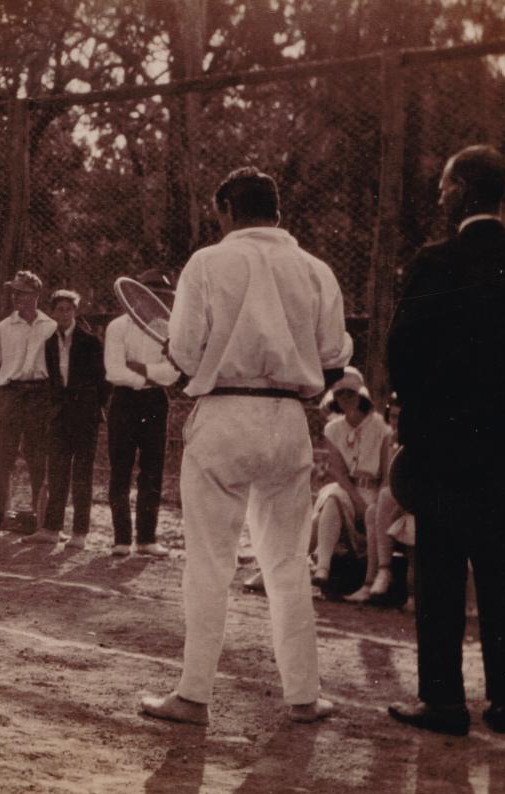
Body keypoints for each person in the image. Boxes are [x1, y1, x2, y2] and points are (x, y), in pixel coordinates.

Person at [139, 166, 353, 727]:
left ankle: (193, 696)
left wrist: (165, 365)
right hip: (289, 420)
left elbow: (181, 358)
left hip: (225, 416)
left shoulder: (209, 262)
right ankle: (304, 697)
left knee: (210, 563)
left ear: (228, 210)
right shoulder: (316, 270)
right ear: (275, 210)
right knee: (287, 563)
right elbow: (335, 360)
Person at [386, 145, 505, 737]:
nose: (438, 195)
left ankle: (444, 702)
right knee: (501, 573)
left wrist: (421, 406)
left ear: (461, 188)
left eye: (443, 185)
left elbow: (401, 355)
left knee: (438, 572)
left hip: (443, 443)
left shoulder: (434, 263)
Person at [24, 288, 109, 547]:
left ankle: (80, 534)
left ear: (75, 312)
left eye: (68, 309)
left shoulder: (90, 341)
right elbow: (53, 381)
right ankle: (51, 528)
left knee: (82, 474)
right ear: (53, 312)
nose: (64, 313)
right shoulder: (49, 343)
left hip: (85, 418)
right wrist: (55, 408)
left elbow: (104, 381)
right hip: (61, 418)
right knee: (58, 471)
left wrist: (94, 408)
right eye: (59, 309)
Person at [104, 268, 180, 556]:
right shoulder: (117, 327)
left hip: (156, 403)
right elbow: (114, 370)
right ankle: (121, 539)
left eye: (162, 295)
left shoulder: (171, 330)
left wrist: (138, 369)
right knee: (120, 469)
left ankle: (147, 539)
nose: (156, 300)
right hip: (123, 402)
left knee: (152, 471)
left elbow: (172, 374)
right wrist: (148, 377)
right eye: (151, 294)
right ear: (137, 295)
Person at [0, 270, 57, 537]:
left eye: (21, 292)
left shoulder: (51, 327)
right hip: (9, 395)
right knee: (1, 458)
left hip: (39, 396)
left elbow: (58, 369)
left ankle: (44, 521)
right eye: (13, 292)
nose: (16, 297)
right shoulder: (2, 328)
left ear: (35, 295)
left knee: (39, 460)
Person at [311, 368, 388, 595]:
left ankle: (368, 581)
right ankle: (322, 568)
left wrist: (371, 506)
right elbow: (340, 474)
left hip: (373, 491)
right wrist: (357, 502)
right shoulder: (333, 429)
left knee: (325, 510)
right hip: (348, 489)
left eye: (351, 394)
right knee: (333, 496)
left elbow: (386, 475)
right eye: (341, 395)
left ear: (361, 395)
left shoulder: (380, 427)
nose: (345, 400)